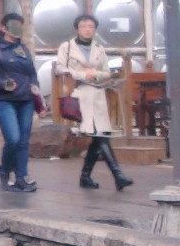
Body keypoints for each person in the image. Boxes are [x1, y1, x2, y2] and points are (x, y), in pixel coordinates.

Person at [57, 14, 133, 192]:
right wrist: (82, 74)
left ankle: (86, 176)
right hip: (80, 93)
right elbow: (60, 68)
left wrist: (96, 74)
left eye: (91, 26)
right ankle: (118, 175)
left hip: (98, 94)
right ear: (77, 28)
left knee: (99, 136)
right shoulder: (67, 47)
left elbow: (106, 72)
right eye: (83, 26)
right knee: (100, 136)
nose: (87, 30)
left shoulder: (99, 48)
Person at [0, 12, 40, 193]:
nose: (17, 28)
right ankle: (4, 170)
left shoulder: (24, 50)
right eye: (13, 24)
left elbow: (32, 73)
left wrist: (35, 86)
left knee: (23, 141)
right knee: (13, 139)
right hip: (4, 101)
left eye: (20, 25)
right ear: (3, 28)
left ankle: (21, 177)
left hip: (26, 100)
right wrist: (1, 84)